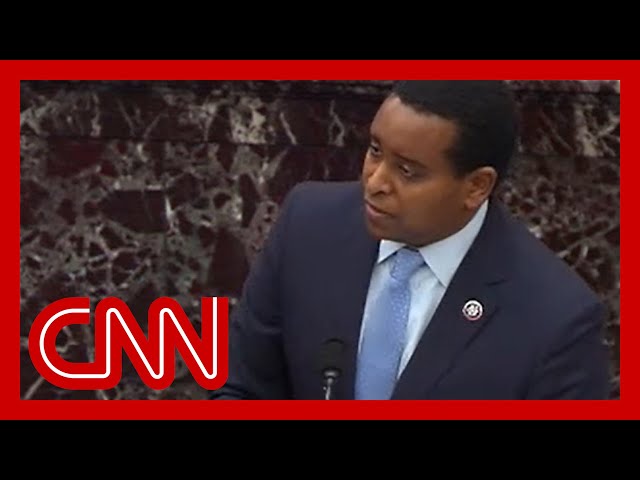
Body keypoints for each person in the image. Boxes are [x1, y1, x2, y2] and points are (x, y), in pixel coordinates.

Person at [210, 80, 611, 400]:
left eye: (407, 171)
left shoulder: (556, 320)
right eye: (375, 151)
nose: (375, 182)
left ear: (476, 186)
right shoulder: (308, 226)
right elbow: (242, 389)